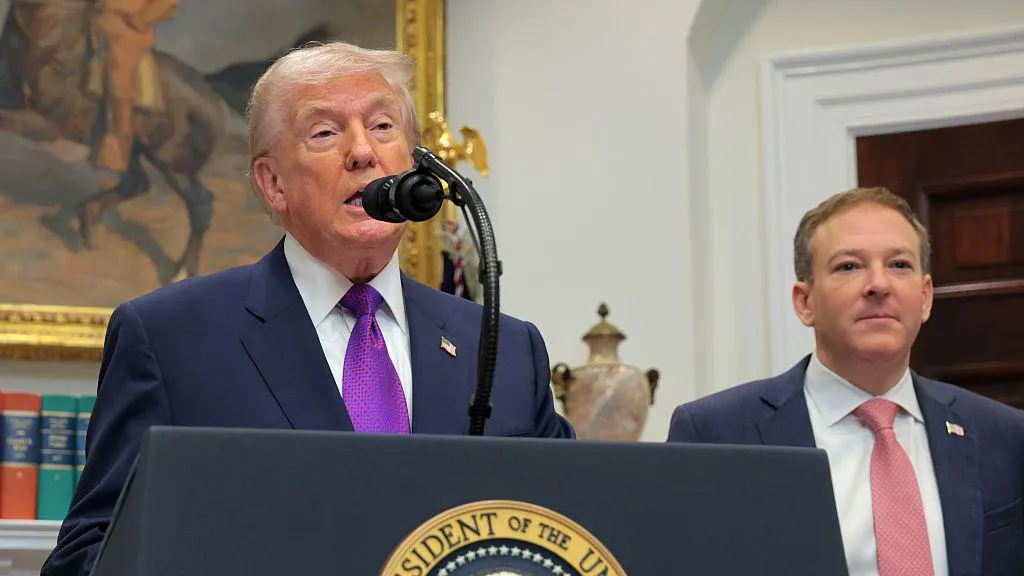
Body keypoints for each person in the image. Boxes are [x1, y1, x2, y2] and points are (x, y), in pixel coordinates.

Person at [42, 40, 573, 576]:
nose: (363, 152)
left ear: (415, 164)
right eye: (325, 132)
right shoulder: (169, 339)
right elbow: (92, 554)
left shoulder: (507, 349)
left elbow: (574, 532)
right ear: (272, 184)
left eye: (384, 127)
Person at [667, 187, 1024, 576]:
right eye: (849, 266)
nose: (878, 284)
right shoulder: (716, 434)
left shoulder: (1004, 436)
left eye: (899, 265)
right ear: (805, 302)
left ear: (924, 298)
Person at [88, 0, 180, 180]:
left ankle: (116, 149)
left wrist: (140, 19)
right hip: (94, 20)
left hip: (126, 28)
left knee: (119, 80)